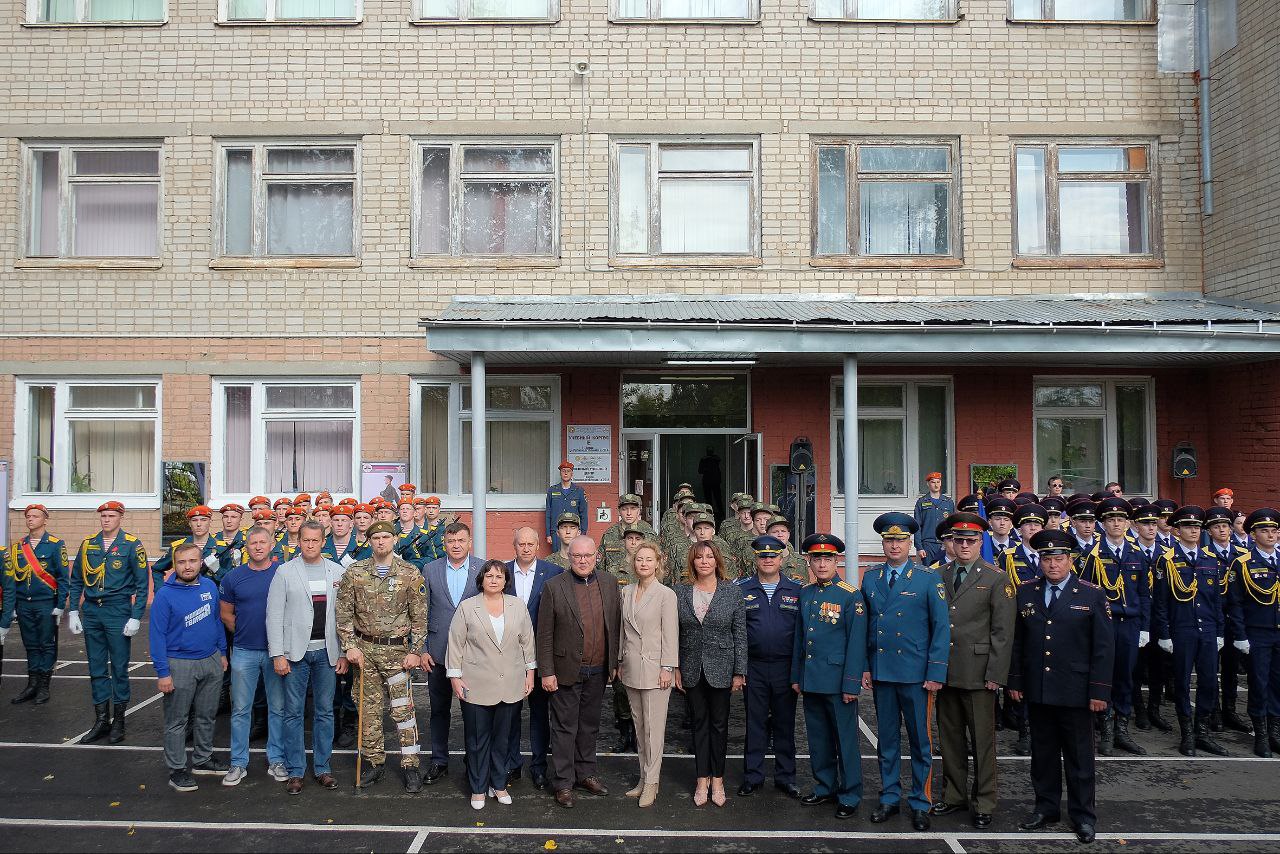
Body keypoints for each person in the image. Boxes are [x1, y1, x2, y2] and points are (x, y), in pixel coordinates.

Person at [1009, 528, 1115, 845]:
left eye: (1058, 558)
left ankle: (1083, 816)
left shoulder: (1091, 594)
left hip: (1076, 691)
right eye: (1046, 559)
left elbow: (1104, 648)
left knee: (1080, 758)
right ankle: (1046, 808)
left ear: (1070, 560)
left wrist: (1099, 691)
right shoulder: (1026, 592)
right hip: (1039, 687)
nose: (1053, 565)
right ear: (1039, 561)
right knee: (1043, 755)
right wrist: (1015, 680)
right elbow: (1018, 642)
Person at [864, 512, 949, 832]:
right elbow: (867, 627)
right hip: (883, 672)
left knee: (919, 742)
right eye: (889, 540)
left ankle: (920, 802)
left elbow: (941, 628)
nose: (894, 545)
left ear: (910, 542)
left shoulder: (927, 578)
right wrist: (865, 667)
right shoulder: (871, 578)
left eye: (900, 540)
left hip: (916, 674)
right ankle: (889, 797)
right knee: (886, 741)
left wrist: (936, 672)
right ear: (883, 543)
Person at [931, 512, 1015, 829]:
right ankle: (954, 795)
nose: (964, 545)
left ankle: (984, 801)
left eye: (971, 540)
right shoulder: (938, 574)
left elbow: (1003, 633)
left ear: (981, 542)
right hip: (946, 671)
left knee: (982, 743)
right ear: (951, 542)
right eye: (959, 540)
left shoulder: (996, 578)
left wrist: (996, 674)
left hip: (979, 674)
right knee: (950, 739)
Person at [336, 521, 428, 792]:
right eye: (376, 537)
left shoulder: (410, 573)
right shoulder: (355, 572)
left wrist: (415, 651)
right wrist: (349, 646)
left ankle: (410, 765)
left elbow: (420, 617)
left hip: (398, 654)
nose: (381, 541)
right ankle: (374, 762)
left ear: (395, 540)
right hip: (364, 653)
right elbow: (344, 613)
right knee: (368, 711)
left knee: (403, 711)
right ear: (369, 541)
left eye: (386, 537)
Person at [537, 535, 622, 809]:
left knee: (589, 725)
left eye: (588, 555)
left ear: (597, 556)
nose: (583, 561)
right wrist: (547, 672)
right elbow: (544, 634)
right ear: (569, 557)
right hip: (565, 670)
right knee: (564, 728)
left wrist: (614, 663)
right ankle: (563, 782)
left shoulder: (609, 583)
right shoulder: (554, 586)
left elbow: (615, 626)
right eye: (577, 556)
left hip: (598, 670)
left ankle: (585, 773)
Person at [447, 560, 537, 810]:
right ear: (482, 580)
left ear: (506, 580)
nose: (494, 580)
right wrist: (455, 677)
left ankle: (498, 784)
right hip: (476, 684)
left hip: (511, 684)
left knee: (503, 740)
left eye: (499, 576)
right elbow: (455, 643)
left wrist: (530, 673)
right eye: (489, 576)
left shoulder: (517, 606)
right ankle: (478, 788)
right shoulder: (467, 607)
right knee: (477, 740)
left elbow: (527, 641)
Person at [267, 521, 348, 794]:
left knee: (325, 712)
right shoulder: (284, 572)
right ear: (298, 541)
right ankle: (295, 771)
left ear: (323, 542)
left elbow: (344, 616)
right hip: (295, 654)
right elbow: (274, 615)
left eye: (315, 540)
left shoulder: (337, 571)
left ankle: (323, 768)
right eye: (306, 540)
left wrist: (344, 652)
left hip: (327, 652)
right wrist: (278, 654)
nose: (310, 545)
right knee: (293, 713)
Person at [790, 533, 866, 819]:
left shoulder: (850, 595)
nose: (822, 564)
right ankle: (825, 786)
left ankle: (850, 793)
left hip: (837, 681)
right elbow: (800, 638)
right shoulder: (806, 593)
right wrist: (796, 676)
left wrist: (851, 684)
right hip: (812, 678)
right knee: (818, 738)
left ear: (836, 561)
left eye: (827, 558)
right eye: (816, 559)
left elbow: (856, 642)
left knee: (845, 741)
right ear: (809, 562)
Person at [149, 543, 229, 792]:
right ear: (175, 564)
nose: (187, 566)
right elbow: (157, 636)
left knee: (207, 715)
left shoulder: (209, 586)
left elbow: (216, 621)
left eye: (192, 561)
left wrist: (222, 652)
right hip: (179, 664)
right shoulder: (165, 595)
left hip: (210, 660)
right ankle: (177, 769)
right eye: (182, 562)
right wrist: (163, 672)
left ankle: (203, 759)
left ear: (200, 562)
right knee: (177, 720)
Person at [67, 501, 148, 744]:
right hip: (92, 611)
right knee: (96, 667)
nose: (106, 520)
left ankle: (119, 721)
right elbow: (76, 580)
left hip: (117, 610)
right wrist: (73, 611)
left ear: (120, 517)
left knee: (119, 668)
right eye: (103, 516)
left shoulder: (132, 545)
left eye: (111, 516)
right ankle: (101, 720)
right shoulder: (88, 544)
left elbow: (142, 585)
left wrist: (135, 616)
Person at [674, 541, 746, 808]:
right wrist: (675, 667)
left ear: (717, 560)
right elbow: (674, 632)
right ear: (692, 562)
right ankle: (701, 779)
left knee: (719, 725)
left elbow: (740, 634)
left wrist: (739, 671)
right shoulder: (680, 591)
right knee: (699, 725)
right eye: (699, 557)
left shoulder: (732, 591)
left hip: (723, 668)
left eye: (709, 556)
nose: (704, 561)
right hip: (691, 667)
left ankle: (718, 779)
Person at [1152, 505, 1228, 757]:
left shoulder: (1210, 560)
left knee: (1209, 682)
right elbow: (1161, 602)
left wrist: (1219, 631)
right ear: (1177, 530)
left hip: (1207, 629)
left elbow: (1216, 600)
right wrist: (1164, 633)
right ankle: (1187, 734)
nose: (1193, 531)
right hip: (1181, 629)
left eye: (1196, 526)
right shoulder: (1166, 560)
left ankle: (1202, 731)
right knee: (1182, 683)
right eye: (1187, 526)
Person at [1080, 496, 1151, 756]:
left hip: (1130, 624)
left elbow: (1144, 594)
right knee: (1104, 675)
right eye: (1111, 520)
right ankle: (1106, 729)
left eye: (1121, 519)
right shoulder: (1092, 555)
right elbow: (1085, 592)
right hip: (1105, 624)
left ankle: (1122, 729)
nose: (1117, 524)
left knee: (1126, 677)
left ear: (1128, 523)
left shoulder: (1137, 554)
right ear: (1103, 524)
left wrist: (1145, 627)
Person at [219, 526, 288, 786]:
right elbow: (226, 614)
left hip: (275, 653)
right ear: (246, 546)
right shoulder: (233, 577)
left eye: (263, 542)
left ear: (272, 545)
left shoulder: (283, 573)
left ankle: (276, 759)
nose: (258, 547)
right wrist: (244, 632)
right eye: (253, 543)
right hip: (244, 651)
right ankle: (238, 763)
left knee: (277, 708)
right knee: (240, 710)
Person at [737, 535, 802, 800]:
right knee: (755, 723)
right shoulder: (742, 589)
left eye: (772, 556)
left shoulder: (796, 590)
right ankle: (753, 776)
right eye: (763, 556)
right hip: (754, 667)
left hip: (785, 667)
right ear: (756, 559)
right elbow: (737, 632)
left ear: (781, 559)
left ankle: (786, 777)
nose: (767, 560)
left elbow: (801, 635)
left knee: (785, 723)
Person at [421, 521, 483, 784]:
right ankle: (439, 760)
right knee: (438, 711)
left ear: (469, 542)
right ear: (444, 543)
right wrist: (422, 649)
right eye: (451, 541)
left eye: (461, 541)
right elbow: (421, 611)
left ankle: (473, 761)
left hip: (473, 655)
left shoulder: (483, 568)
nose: (456, 545)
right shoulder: (430, 569)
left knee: (474, 713)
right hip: (437, 653)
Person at [616, 541, 677, 808]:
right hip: (631, 668)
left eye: (649, 559)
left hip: (656, 670)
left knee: (654, 730)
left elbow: (670, 634)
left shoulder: (666, 595)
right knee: (640, 729)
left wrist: (668, 667)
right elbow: (622, 630)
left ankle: (652, 782)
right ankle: (643, 777)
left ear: (657, 563)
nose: (643, 563)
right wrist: (620, 660)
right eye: (639, 559)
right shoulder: (626, 591)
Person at [504, 527, 563, 789]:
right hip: (507, 657)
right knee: (509, 714)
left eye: (531, 544)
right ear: (514, 546)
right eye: (521, 544)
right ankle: (512, 764)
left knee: (539, 714)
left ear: (538, 546)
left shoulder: (553, 573)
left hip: (540, 656)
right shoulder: (502, 572)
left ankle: (539, 767)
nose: (526, 548)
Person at [1226, 508, 1280, 757]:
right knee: (1259, 683)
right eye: (1264, 531)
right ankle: (1261, 734)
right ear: (1253, 534)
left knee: (1277, 684)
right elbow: (1235, 603)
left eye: (1274, 530)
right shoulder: (1243, 563)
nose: (1270, 535)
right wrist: (1240, 635)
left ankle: (1275, 732)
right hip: (1257, 633)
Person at [3, 504, 69, 706]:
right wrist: (13, 606)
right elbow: (12, 579)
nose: (30, 519)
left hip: (46, 603)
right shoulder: (18, 547)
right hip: (24, 603)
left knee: (46, 645)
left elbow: (63, 578)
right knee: (30, 645)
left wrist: (60, 605)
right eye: (28, 516)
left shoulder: (56, 545)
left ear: (45, 519)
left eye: (35, 516)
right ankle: (32, 684)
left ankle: (43, 686)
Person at [1204, 506, 1251, 734]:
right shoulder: (1204, 554)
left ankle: (1230, 710)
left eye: (1225, 526)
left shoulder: (1243, 554)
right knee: (1210, 667)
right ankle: (1213, 711)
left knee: (1231, 668)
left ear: (1231, 529)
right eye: (1216, 527)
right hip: (1212, 618)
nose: (1222, 530)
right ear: (1209, 531)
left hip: (1234, 619)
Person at [1129, 502, 1172, 734]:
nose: (1151, 528)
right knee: (1137, 667)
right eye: (1146, 523)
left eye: (1154, 523)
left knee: (1159, 667)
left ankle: (1154, 709)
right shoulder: (1130, 551)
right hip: (1137, 617)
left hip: (1160, 618)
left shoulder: (1166, 553)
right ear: (1136, 526)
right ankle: (1139, 709)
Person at [152, 506, 218, 592]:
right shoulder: (178, 547)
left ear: (210, 522)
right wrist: (161, 592)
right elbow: (157, 569)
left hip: (211, 595)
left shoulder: (221, 547)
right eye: (194, 520)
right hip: (183, 595)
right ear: (189, 523)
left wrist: (218, 571)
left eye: (203, 520)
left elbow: (228, 577)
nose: (198, 524)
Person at [914, 472, 956, 566]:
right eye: (933, 482)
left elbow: (953, 525)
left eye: (938, 482)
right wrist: (919, 547)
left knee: (946, 569)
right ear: (928, 484)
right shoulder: (921, 502)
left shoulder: (948, 502)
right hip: (928, 544)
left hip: (945, 542)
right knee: (929, 570)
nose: (936, 485)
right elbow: (917, 526)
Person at [545, 461, 588, 550]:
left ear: (572, 474)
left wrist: (583, 534)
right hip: (557, 531)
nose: (565, 473)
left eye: (568, 471)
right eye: (563, 471)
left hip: (573, 531)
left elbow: (583, 514)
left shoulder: (579, 491)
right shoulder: (552, 490)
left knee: (574, 554)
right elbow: (548, 514)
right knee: (557, 556)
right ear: (560, 473)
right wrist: (548, 534)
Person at [698, 446, 724, 521]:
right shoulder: (704, 459)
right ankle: (710, 514)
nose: (710, 452)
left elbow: (718, 459)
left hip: (715, 482)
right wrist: (706, 469)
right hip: (708, 482)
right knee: (709, 499)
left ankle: (721, 514)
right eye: (709, 451)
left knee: (717, 498)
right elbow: (700, 470)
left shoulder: (715, 459)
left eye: (711, 451)